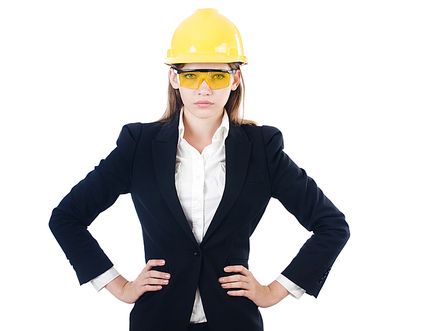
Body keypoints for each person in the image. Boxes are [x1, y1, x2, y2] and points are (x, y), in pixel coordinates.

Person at [49, 8, 350, 331]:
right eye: (192, 76)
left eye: (217, 76)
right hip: (157, 320)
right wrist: (119, 285)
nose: (204, 89)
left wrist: (275, 290)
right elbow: (67, 218)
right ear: (174, 78)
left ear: (235, 79)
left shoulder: (262, 148)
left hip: (235, 322)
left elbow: (331, 226)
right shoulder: (139, 145)